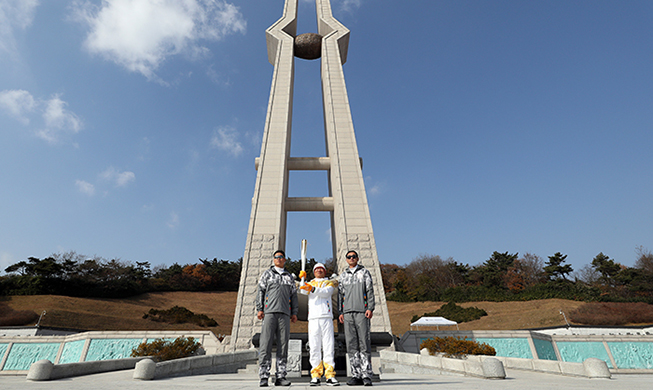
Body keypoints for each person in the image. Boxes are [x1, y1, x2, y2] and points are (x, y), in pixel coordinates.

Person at [256, 250, 299, 387]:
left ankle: (281, 376)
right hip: (269, 313)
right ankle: (264, 376)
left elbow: (294, 296)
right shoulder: (267, 274)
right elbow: (260, 291)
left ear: (285, 259)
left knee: (283, 345)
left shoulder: (289, 277)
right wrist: (260, 308)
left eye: (281, 257)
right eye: (276, 257)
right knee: (265, 344)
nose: (279, 259)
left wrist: (294, 312)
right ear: (273, 259)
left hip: (285, 314)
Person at [299, 263, 340, 386]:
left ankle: (330, 375)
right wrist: (302, 280)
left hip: (326, 317)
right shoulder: (309, 283)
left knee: (328, 346)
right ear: (313, 272)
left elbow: (326, 293)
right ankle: (315, 375)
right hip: (313, 318)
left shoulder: (329, 283)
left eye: (321, 269)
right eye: (316, 269)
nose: (319, 271)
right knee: (314, 346)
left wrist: (312, 289)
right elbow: (302, 292)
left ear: (324, 271)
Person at [338, 250, 374, 386]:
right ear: (346, 260)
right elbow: (340, 296)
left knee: (364, 343)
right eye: (349, 257)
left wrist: (370, 308)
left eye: (353, 256)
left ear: (357, 258)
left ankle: (366, 375)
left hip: (361, 312)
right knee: (351, 344)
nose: (351, 258)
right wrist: (340, 312)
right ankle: (356, 374)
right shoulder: (343, 276)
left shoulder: (364, 273)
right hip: (347, 313)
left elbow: (369, 290)